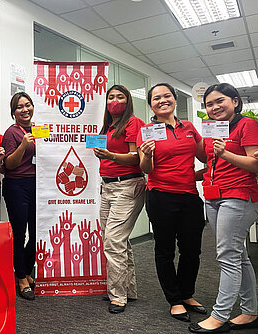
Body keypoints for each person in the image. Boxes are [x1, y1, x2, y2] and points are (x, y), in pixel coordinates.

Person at [189, 83, 258, 333]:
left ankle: (219, 316)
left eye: (220, 101)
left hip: (238, 197)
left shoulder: (247, 125)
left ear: (235, 101)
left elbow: (255, 165)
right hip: (213, 196)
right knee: (238, 255)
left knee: (226, 255)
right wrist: (188, 175)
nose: (214, 107)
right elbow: (211, 165)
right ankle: (250, 311)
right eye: (209, 104)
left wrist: (225, 153)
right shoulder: (210, 129)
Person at [137, 83, 207, 323]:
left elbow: (205, 157)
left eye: (167, 96)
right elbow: (146, 169)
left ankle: (187, 294)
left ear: (175, 100)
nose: (162, 100)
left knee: (191, 250)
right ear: (151, 105)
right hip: (161, 196)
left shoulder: (189, 128)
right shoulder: (147, 130)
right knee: (165, 250)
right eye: (156, 98)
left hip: (189, 195)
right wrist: (146, 154)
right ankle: (175, 300)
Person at [93, 85, 145, 314]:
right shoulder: (108, 126)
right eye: (111, 97)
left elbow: (136, 158)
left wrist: (111, 155)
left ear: (128, 100)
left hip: (128, 184)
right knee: (117, 240)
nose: (114, 101)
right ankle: (128, 289)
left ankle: (118, 296)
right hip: (107, 186)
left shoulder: (133, 123)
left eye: (120, 97)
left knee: (113, 241)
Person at [2, 91, 36, 300]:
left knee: (36, 232)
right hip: (17, 185)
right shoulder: (11, 133)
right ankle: (21, 276)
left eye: (28, 105)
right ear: (13, 112)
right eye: (20, 107)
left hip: (37, 185)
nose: (25, 109)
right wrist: (23, 144)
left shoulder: (40, 129)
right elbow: (9, 165)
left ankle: (26, 269)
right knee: (19, 232)